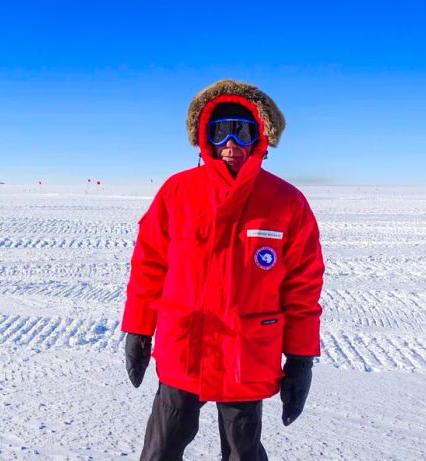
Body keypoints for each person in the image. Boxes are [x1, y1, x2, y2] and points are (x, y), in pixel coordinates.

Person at [122, 79, 324, 461]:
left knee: (243, 453)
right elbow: (148, 267)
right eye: (220, 131)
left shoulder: (286, 202)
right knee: (160, 450)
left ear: (260, 137)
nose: (231, 143)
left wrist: (301, 358)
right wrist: (138, 328)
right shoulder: (177, 192)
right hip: (183, 349)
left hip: (245, 356)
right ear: (205, 138)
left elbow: (303, 286)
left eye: (242, 131)